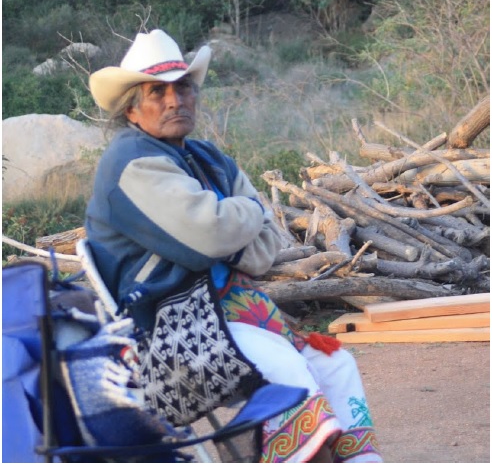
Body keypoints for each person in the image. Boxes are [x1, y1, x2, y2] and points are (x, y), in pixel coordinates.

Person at [86, 29, 383, 463]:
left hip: (229, 314)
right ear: (131, 109)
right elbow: (214, 233)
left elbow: (264, 250)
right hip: (171, 331)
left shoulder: (207, 157)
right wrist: (244, 213)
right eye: (157, 92)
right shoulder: (132, 163)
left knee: (337, 364)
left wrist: (225, 229)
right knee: (288, 374)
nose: (174, 100)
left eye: (183, 87)